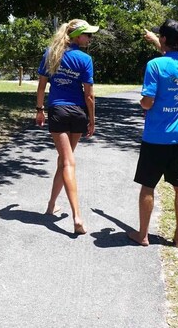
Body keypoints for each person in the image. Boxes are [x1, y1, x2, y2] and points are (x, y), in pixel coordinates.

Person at [129, 19, 178, 248]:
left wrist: (141, 103)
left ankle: (143, 235)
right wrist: (155, 40)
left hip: (155, 138)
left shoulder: (154, 65)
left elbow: (148, 102)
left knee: (148, 186)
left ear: (164, 39)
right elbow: (171, 59)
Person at [35, 19, 99, 235]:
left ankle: (76, 216)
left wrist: (39, 109)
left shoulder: (51, 53)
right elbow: (89, 95)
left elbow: (42, 85)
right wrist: (92, 119)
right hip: (78, 113)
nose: (90, 38)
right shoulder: (85, 59)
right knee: (65, 160)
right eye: (87, 34)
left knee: (66, 161)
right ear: (77, 36)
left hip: (59, 112)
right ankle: (52, 206)